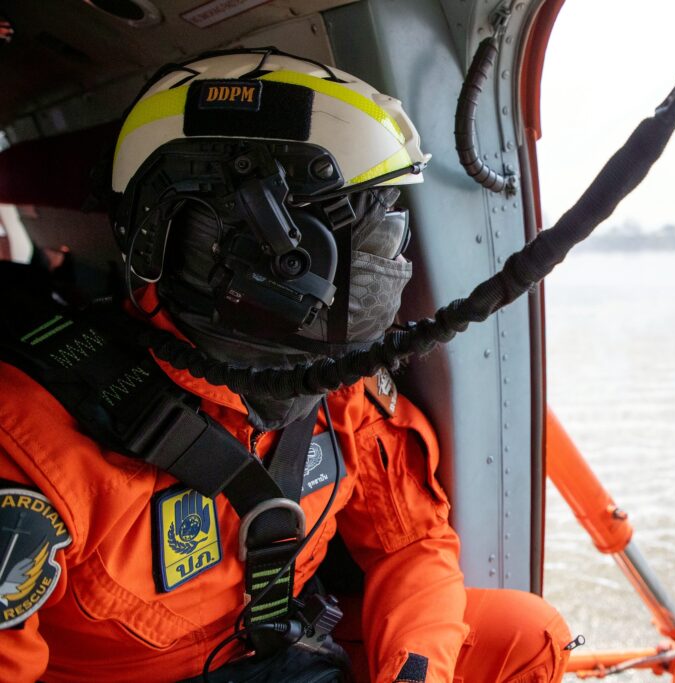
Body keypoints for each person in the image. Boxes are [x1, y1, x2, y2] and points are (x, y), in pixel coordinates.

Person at [0, 48, 571, 683]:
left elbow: (411, 542)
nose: (391, 258)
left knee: (526, 634)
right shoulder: (29, 442)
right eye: (369, 229)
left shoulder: (340, 383)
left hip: (282, 647)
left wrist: (412, 677)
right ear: (268, 253)